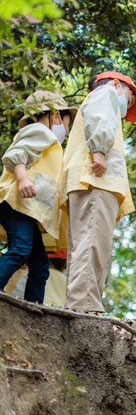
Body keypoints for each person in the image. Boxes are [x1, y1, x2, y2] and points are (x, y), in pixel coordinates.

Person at [60, 71, 136, 313]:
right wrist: (99, 152)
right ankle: (85, 306)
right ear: (116, 83)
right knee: (92, 243)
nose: (127, 106)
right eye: (130, 99)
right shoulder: (107, 92)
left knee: (85, 245)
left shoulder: (96, 98)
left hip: (86, 179)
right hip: (95, 179)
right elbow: (100, 118)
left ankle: (79, 303)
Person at [0, 90, 76, 303]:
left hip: (28, 210)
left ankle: (33, 308)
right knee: (20, 249)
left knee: (41, 266)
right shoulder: (41, 132)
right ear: (55, 116)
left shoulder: (48, 141)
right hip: (18, 204)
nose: (66, 131)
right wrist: (23, 179)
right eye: (67, 124)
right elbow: (15, 155)